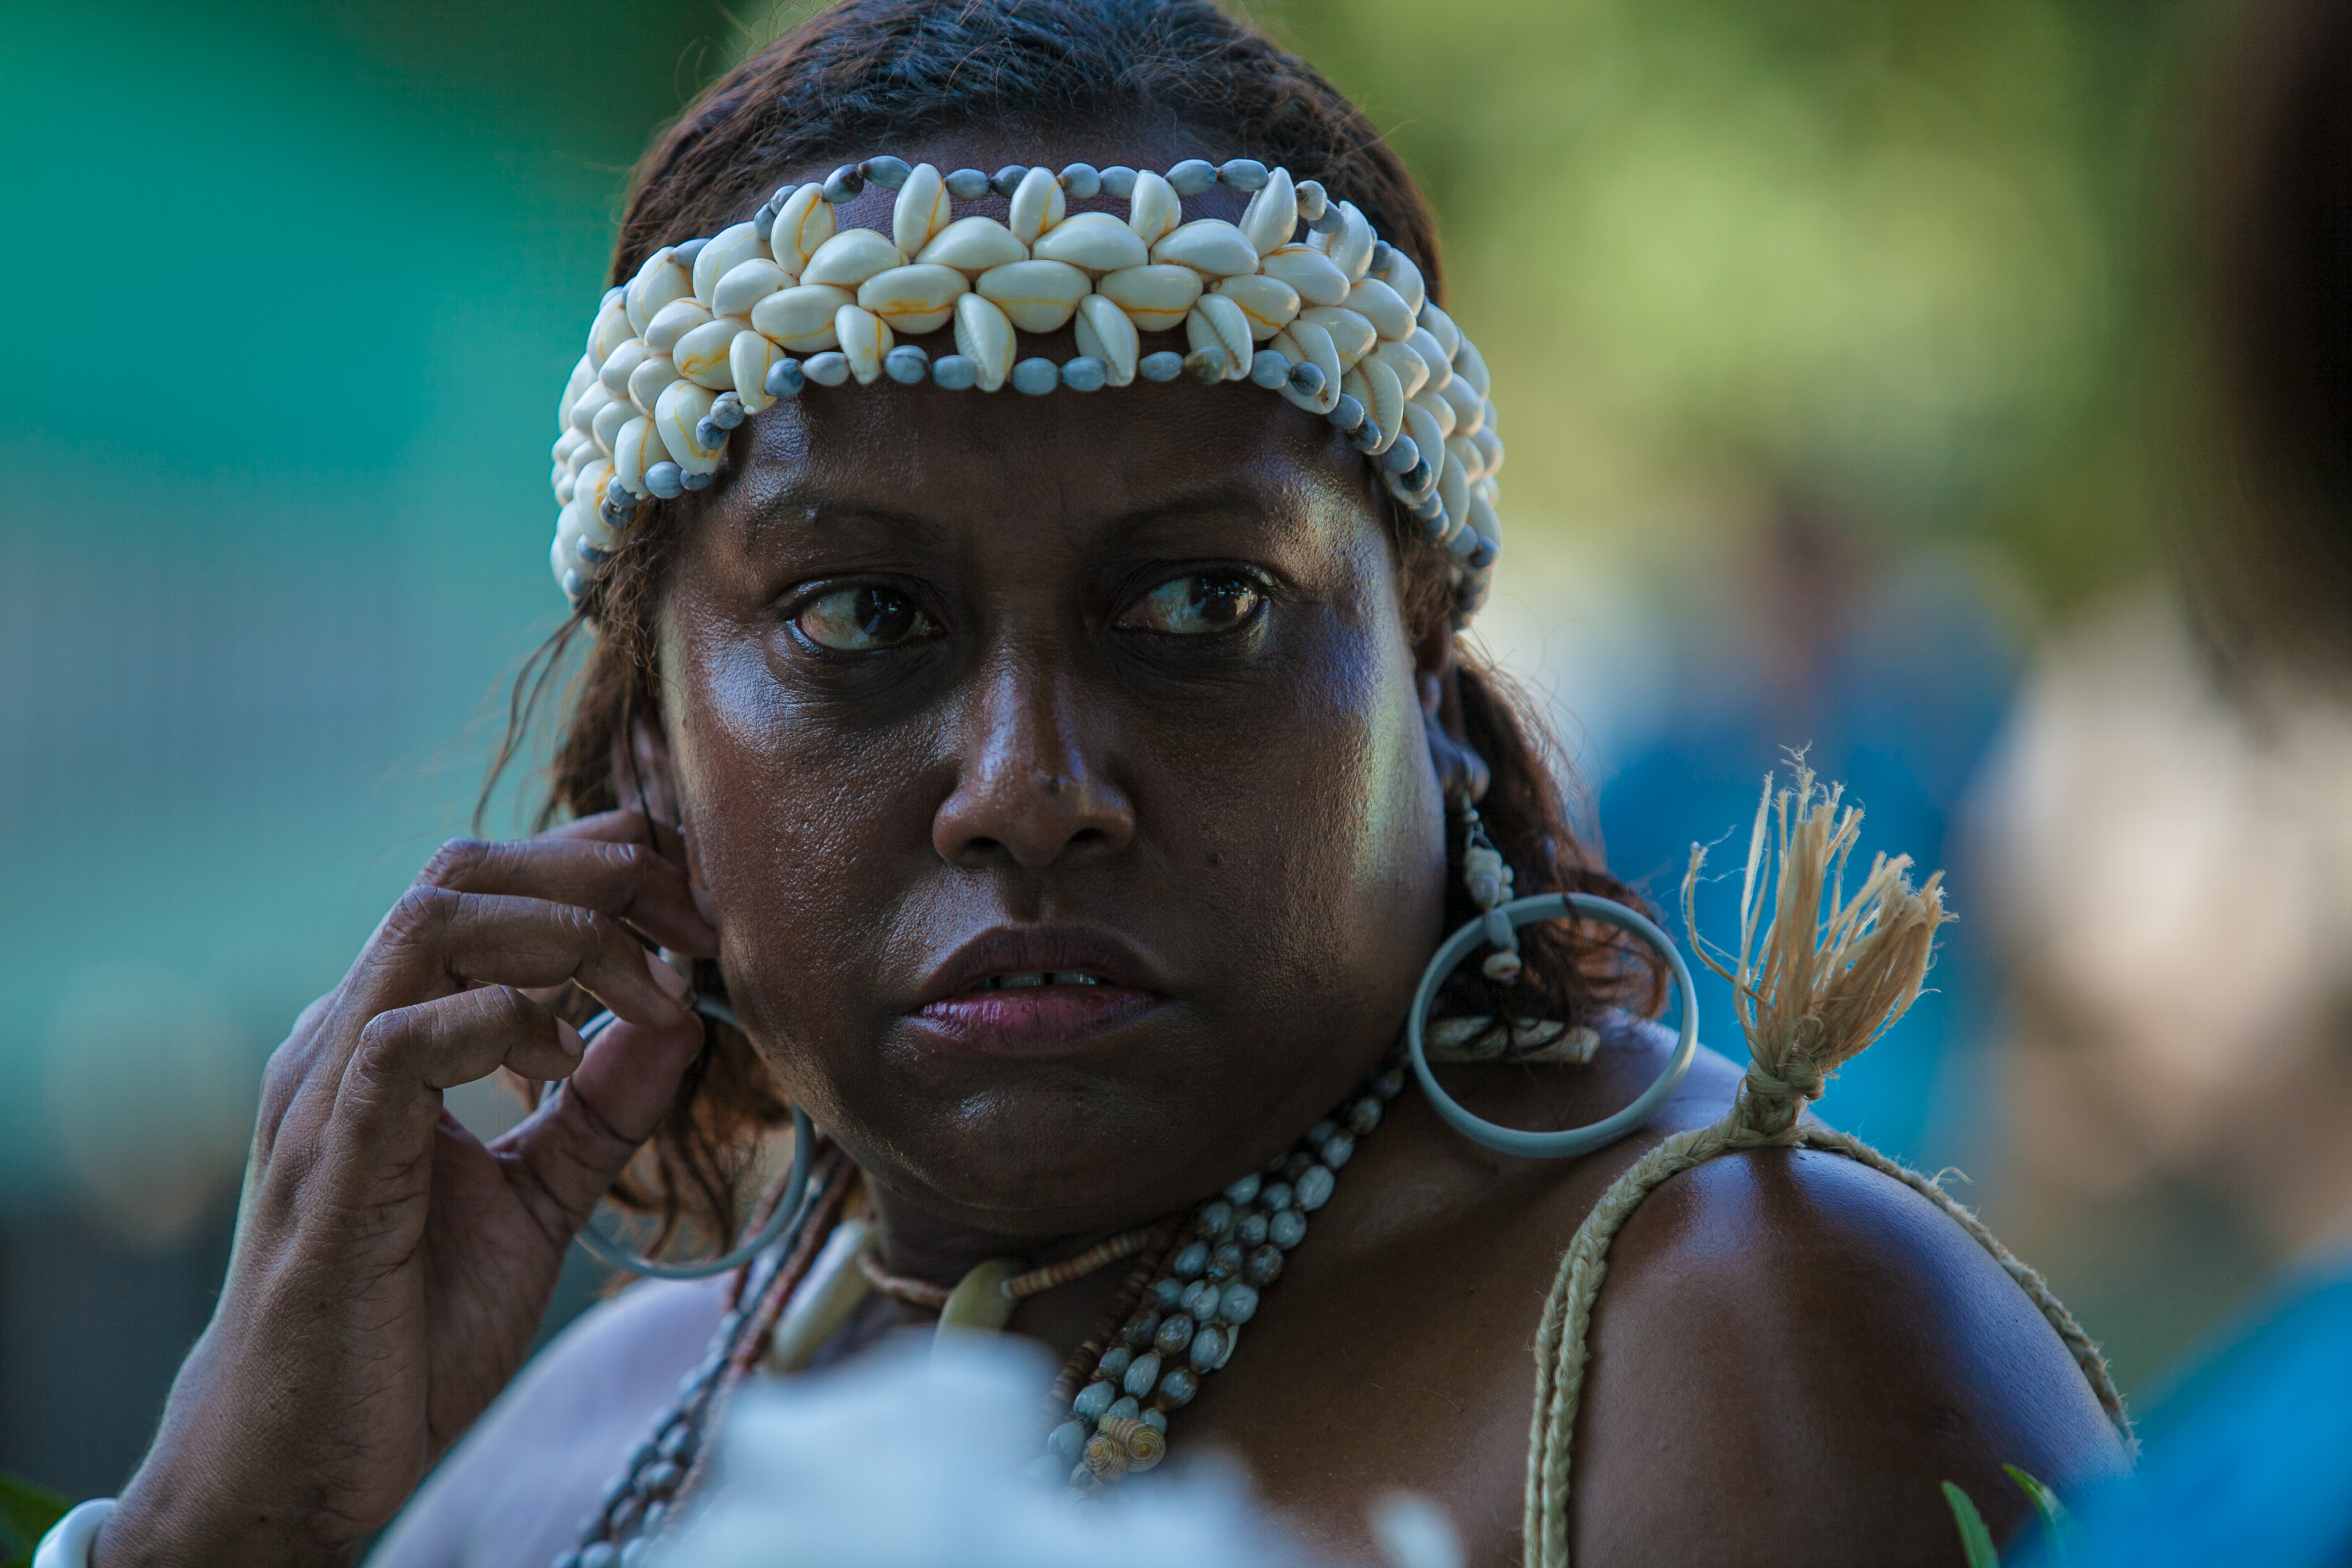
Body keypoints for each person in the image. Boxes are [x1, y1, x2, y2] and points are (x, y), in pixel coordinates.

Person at [44, 4, 2130, 1566]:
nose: (1028, 789)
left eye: (1200, 604)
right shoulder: (568, 1440)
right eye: (862, 624)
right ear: (654, 743)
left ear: (1415, 647)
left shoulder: (1741, 1343)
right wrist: (214, 1534)